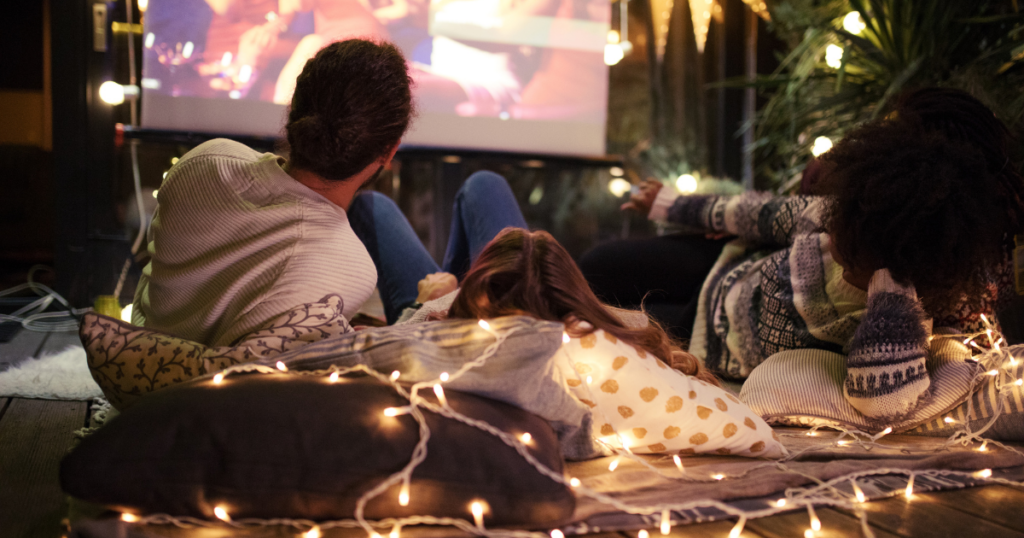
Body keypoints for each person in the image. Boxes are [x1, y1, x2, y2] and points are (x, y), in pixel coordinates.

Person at [581, 88, 1024, 422]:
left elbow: (887, 398)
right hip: (725, 269)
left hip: (710, 341)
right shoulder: (854, 207)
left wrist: (891, 292)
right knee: (601, 263)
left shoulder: (921, 304)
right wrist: (667, 204)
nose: (840, 257)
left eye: (855, 260)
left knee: (605, 325)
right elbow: (759, 214)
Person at [133, 39, 414, 347]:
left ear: (294, 109)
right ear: (389, 153)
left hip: (135, 362)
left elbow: (152, 275)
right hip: (204, 394)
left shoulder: (205, 160)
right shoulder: (351, 269)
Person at [347, 172, 719, 384]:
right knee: (483, 184)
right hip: (506, 293)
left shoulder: (433, 333)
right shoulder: (619, 332)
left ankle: (469, 283)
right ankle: (480, 280)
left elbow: (385, 347)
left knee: (370, 205)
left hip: (450, 306)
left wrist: (424, 301)